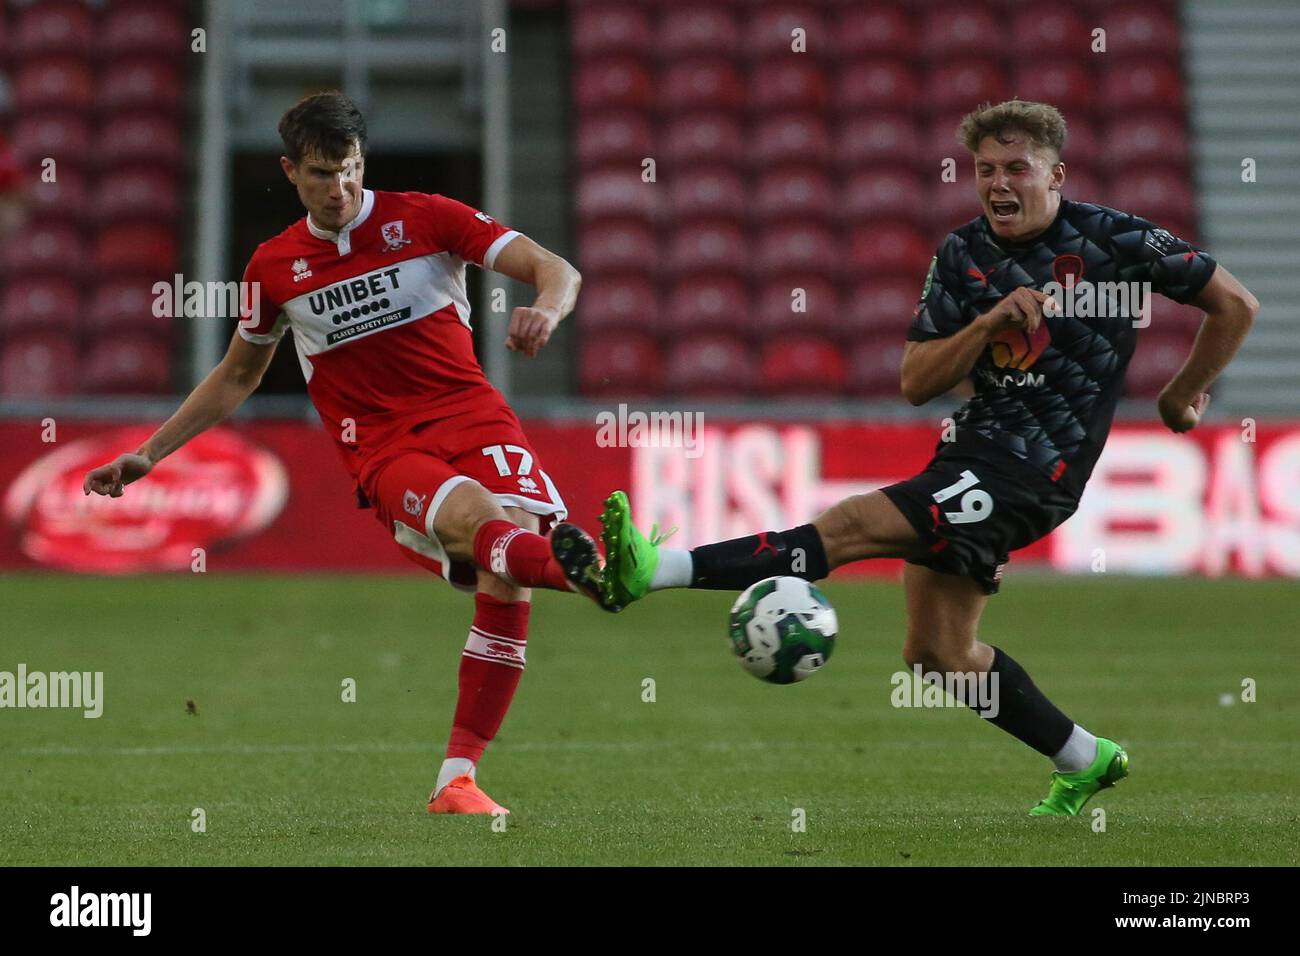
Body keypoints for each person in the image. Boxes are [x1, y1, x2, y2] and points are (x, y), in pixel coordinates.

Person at [559, 99, 1259, 816]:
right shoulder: (962, 254)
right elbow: (917, 382)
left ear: (1057, 173)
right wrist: (986, 323)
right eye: (985, 170)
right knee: (937, 655)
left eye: (1017, 168)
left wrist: (1182, 396)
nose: (998, 184)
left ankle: (656, 572)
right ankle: (1086, 758)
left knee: (855, 524)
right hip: (968, 453)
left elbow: (1234, 303)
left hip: (1038, 471)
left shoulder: (1118, 241)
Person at [84, 91, 606, 816]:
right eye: (324, 174)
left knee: (506, 570)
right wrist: (151, 453)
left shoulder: (427, 218)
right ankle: (599, 572)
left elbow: (558, 269)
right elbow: (239, 374)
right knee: (486, 525)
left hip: (479, 422)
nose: (342, 189)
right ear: (291, 172)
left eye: (352, 170)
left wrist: (544, 311)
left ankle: (456, 781)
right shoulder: (273, 269)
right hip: (387, 449)